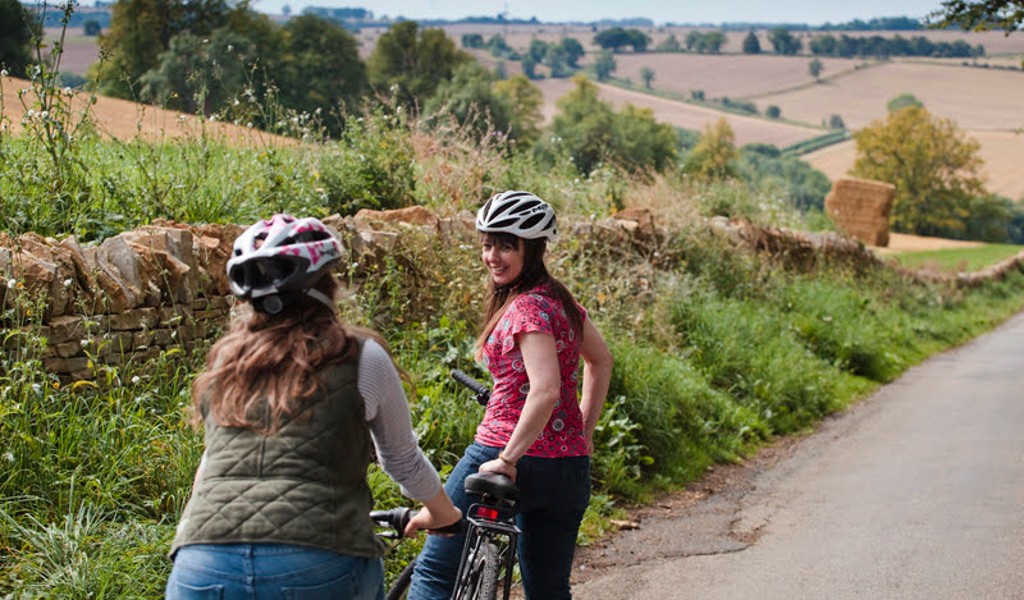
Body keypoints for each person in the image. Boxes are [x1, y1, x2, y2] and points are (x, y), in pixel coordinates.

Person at [166, 214, 461, 599]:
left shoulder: (227, 362)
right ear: (327, 286)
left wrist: (191, 538)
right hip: (319, 561)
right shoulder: (359, 356)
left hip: (202, 561)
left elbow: (209, 466)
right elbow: (401, 459)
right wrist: (443, 513)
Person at [409, 191, 614, 599]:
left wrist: (506, 459)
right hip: (569, 471)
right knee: (550, 591)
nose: (492, 256)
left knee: (435, 573)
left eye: (506, 245)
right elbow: (601, 361)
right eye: (488, 244)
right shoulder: (563, 302)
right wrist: (583, 434)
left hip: (507, 454)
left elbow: (546, 390)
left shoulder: (526, 309)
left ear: (532, 250)